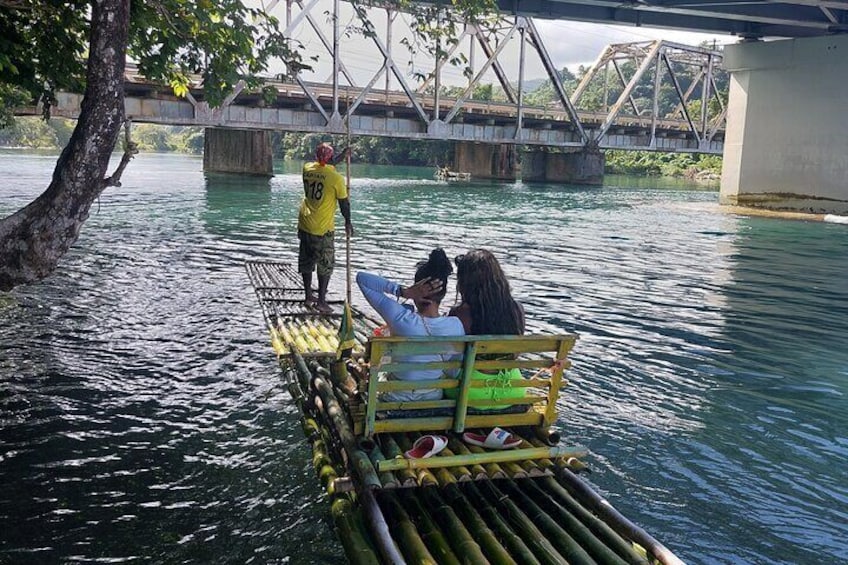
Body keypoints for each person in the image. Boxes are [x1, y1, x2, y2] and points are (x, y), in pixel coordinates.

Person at [356, 248, 464, 402]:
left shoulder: (400, 318)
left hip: (395, 398)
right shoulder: (456, 326)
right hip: (432, 398)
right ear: (444, 293)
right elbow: (453, 372)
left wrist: (403, 292)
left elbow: (362, 279)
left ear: (416, 290)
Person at [447, 249, 526, 408]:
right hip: (513, 390)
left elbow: (447, 354)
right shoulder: (517, 309)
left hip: (470, 394)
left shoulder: (460, 314)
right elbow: (516, 353)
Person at [298, 142, 353, 314]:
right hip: (322, 228)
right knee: (325, 263)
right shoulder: (336, 179)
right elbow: (344, 204)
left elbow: (325, 165)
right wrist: (348, 222)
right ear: (330, 158)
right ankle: (321, 301)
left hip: (305, 224)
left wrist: (342, 155)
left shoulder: (307, 169)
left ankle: (308, 296)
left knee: (307, 260)